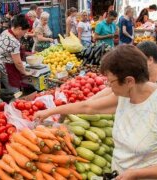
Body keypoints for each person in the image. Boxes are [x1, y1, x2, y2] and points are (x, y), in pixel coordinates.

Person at [35, 44, 157, 178]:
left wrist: (136, 173)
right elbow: (88, 107)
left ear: (129, 81)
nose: (108, 86)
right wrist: (50, 111)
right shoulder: (124, 96)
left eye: (111, 82)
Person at [0, 14, 32, 93]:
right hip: (9, 70)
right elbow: (18, 63)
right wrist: (25, 72)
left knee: (6, 91)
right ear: (20, 28)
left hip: (1, 67)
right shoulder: (14, 41)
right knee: (15, 93)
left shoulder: (5, 32)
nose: (24, 34)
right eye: (24, 32)